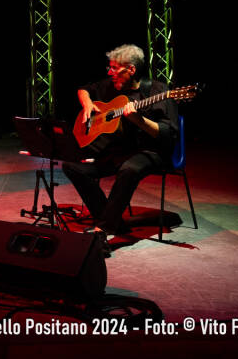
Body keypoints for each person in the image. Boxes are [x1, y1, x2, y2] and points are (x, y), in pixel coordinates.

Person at [63, 44, 178, 240]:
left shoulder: (158, 91)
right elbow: (84, 89)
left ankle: (105, 228)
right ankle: (113, 221)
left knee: (129, 169)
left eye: (115, 68)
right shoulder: (111, 85)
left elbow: (168, 133)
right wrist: (88, 104)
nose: (110, 72)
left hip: (151, 152)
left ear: (131, 69)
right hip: (120, 151)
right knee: (72, 166)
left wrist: (138, 120)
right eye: (110, 67)